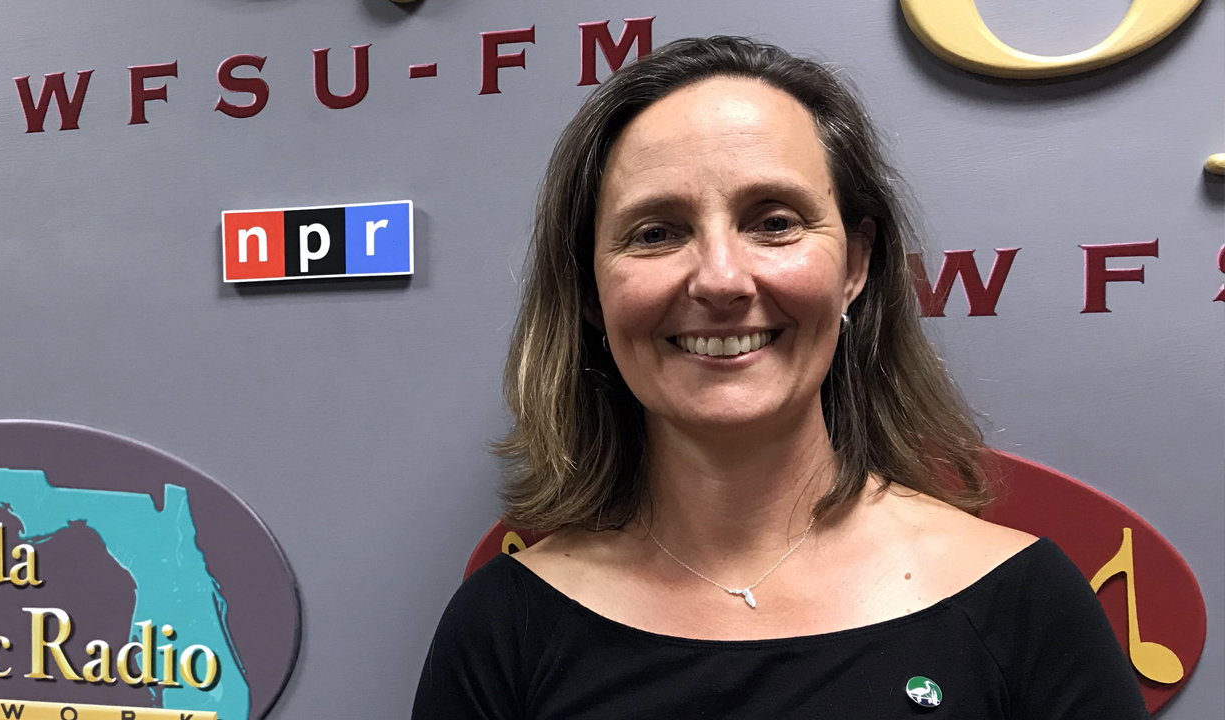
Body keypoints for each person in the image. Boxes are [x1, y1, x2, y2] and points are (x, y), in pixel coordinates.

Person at [412, 36, 1149, 719]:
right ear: (590, 291)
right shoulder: (507, 626)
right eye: (656, 232)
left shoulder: (1022, 604)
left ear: (855, 266)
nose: (722, 280)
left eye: (773, 222)